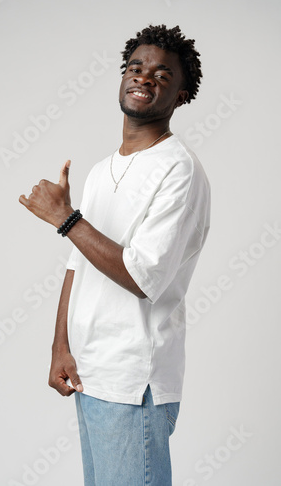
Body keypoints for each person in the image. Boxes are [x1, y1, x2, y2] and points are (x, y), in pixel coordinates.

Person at [19, 24, 211, 486]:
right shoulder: (104, 169)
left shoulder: (179, 171)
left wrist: (66, 219)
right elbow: (77, 263)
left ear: (182, 94)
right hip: (91, 371)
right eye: (136, 67)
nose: (145, 78)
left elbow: (144, 278)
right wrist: (60, 346)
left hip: (133, 379)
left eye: (162, 75)